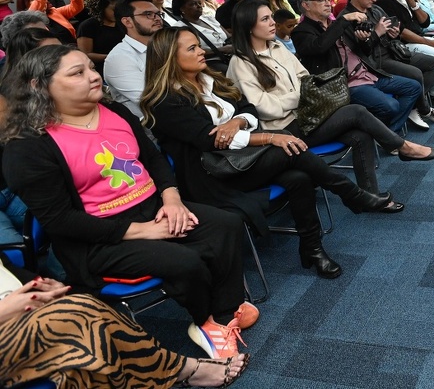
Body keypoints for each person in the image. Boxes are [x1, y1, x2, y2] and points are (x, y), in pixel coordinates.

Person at [2, 45, 254, 360]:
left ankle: (225, 312)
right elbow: (61, 221)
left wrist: (172, 198)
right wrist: (143, 231)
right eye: (77, 73)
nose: (93, 76)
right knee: (184, 262)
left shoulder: (115, 111)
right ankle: (205, 321)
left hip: (152, 209)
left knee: (226, 223)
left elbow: (153, 158)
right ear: (39, 86)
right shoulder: (28, 148)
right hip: (99, 238)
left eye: (90, 67)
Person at [142, 28, 402, 280]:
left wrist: (237, 121)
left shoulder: (213, 79)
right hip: (213, 176)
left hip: (247, 160)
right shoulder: (165, 101)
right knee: (289, 148)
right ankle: (352, 194)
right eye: (192, 48)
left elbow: (249, 109)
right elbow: (210, 141)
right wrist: (269, 137)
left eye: (198, 46)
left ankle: (312, 248)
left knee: (299, 177)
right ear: (169, 58)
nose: (201, 51)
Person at [228, 0, 434, 188]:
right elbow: (263, 107)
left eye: (271, 17)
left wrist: (300, 96)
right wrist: (300, 97)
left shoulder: (277, 47)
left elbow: (305, 77)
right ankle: (403, 147)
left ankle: (371, 195)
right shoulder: (241, 62)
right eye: (265, 19)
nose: (273, 23)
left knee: (361, 135)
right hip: (284, 129)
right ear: (248, 26)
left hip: (307, 116)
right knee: (356, 111)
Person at [0, 255, 249, 388]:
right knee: (79, 314)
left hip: (23, 307)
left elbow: (7, 268)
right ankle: (183, 370)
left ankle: (183, 371)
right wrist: (6, 308)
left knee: (85, 332)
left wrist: (40, 284)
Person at [292, 0, 426, 133]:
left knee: (413, 87)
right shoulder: (302, 31)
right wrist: (343, 21)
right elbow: (319, 47)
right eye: (320, 0)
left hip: (367, 73)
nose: (327, 3)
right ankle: (386, 136)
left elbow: (365, 51)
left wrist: (364, 40)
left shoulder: (334, 23)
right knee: (391, 106)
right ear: (306, 5)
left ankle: (388, 133)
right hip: (344, 83)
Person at [105, 0, 165, 119]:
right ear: (127, 21)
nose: (157, 18)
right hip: (155, 124)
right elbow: (154, 100)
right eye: (148, 14)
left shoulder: (166, 46)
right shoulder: (119, 59)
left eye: (158, 14)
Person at [173, 0, 232, 72]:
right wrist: (221, 50)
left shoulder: (209, 18)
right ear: (182, 9)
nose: (199, 6)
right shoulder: (180, 28)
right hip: (209, 61)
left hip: (228, 55)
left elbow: (229, 36)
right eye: (193, 4)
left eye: (199, 3)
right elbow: (189, 51)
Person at [24, 0, 89, 44]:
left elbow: (77, 7)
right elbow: (30, 16)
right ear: (24, 4)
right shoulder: (27, 22)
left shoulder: (54, 12)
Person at [77, 0, 124, 76]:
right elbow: (85, 54)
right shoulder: (88, 26)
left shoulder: (123, 23)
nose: (118, 13)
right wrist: (112, 57)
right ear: (101, 8)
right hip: (102, 70)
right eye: (114, 10)